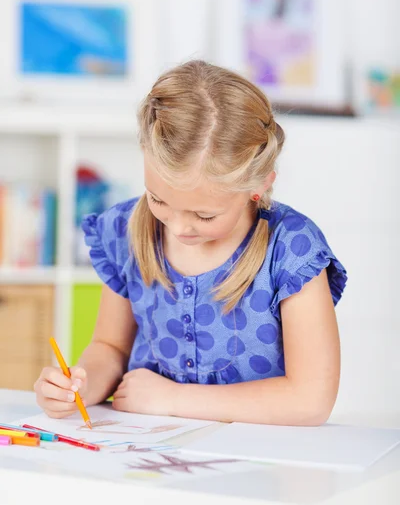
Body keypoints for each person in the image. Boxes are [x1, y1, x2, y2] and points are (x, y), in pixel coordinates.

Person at [34, 60, 347, 426]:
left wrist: (174, 399)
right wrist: (79, 387)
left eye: (204, 215)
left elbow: (310, 401)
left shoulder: (292, 249)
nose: (179, 227)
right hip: (148, 451)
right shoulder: (126, 230)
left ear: (258, 185)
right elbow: (110, 348)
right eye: (159, 200)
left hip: (259, 461)